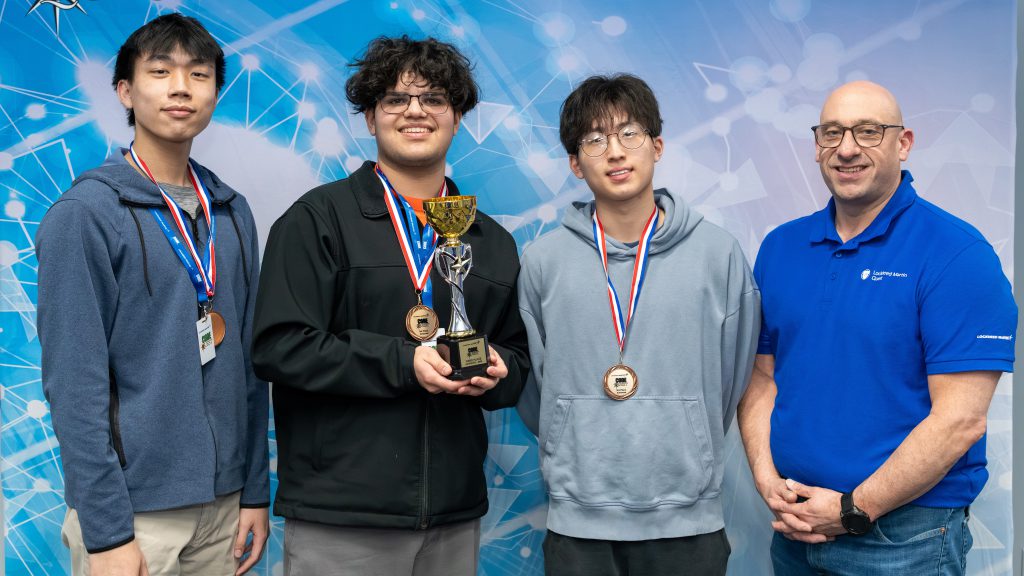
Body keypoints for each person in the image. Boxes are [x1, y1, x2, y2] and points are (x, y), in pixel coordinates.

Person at [251, 35, 530, 576]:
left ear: (458, 116)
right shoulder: (318, 220)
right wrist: (404, 362)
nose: (415, 112)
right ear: (370, 118)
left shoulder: (490, 241)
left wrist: (498, 370)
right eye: (396, 100)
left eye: (434, 99)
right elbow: (277, 346)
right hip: (343, 518)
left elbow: (518, 361)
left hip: (452, 517)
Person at [738, 80, 1017, 575]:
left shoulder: (956, 254)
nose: (846, 149)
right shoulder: (781, 248)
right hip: (796, 528)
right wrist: (766, 479)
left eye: (868, 131)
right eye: (832, 133)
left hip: (904, 538)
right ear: (817, 145)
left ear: (903, 143)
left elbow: (961, 420)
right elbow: (762, 377)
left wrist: (851, 511)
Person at [36, 13, 269, 576]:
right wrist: (108, 531)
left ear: (216, 91)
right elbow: (74, 385)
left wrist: (255, 488)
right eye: (160, 71)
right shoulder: (85, 214)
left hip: (225, 504)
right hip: (135, 516)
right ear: (125, 91)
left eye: (199, 73)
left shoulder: (233, 213)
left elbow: (250, 363)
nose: (181, 88)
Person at [516, 73, 760, 576]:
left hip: (687, 522)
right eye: (595, 139)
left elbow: (734, 375)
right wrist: (572, 435)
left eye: (629, 133)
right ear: (575, 163)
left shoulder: (719, 255)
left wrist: (684, 431)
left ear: (657, 145)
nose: (615, 152)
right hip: (577, 523)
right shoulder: (542, 261)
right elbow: (533, 382)